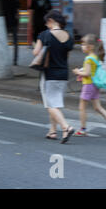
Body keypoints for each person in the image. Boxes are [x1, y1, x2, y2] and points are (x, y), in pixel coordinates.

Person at [33, 10, 74, 144]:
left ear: (51, 20)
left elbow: (36, 53)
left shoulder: (44, 35)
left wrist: (35, 45)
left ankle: (65, 127)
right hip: (63, 74)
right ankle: (52, 131)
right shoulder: (69, 36)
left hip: (49, 74)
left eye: (47, 22)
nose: (46, 25)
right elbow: (66, 56)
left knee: (50, 104)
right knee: (55, 103)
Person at [72, 34, 106, 138]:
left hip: (88, 86)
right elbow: (91, 72)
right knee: (98, 107)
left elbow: (87, 74)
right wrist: (82, 72)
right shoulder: (95, 57)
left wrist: (78, 72)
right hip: (94, 85)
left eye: (83, 44)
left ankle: (82, 130)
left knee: (82, 108)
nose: (81, 46)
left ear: (90, 46)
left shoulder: (88, 59)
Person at [1, 0, 20, 65]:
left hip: (4, 24)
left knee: (3, 43)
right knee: (15, 43)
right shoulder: (15, 0)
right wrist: (18, 24)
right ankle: (15, 61)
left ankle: (4, 59)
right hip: (14, 23)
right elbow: (18, 14)